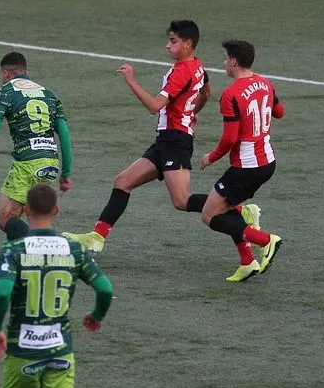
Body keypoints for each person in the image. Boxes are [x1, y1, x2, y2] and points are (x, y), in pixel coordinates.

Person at [63, 20, 209, 253]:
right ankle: (97, 237)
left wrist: (131, 80)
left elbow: (154, 106)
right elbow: (205, 92)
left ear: (188, 44)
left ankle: (241, 212)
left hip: (175, 141)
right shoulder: (198, 66)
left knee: (181, 201)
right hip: (166, 140)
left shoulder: (181, 72)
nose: (167, 46)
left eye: (173, 41)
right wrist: (191, 112)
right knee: (123, 182)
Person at [0, 184, 113, 388]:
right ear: (56, 209)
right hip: (60, 350)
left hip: (23, 349)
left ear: (25, 210)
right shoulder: (74, 250)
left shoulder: (15, 250)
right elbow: (105, 289)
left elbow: (1, 294)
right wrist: (96, 316)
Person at [192, 40, 284, 282]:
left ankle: (266, 240)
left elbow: (230, 138)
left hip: (247, 167)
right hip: (267, 162)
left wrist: (210, 157)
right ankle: (247, 262)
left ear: (234, 61)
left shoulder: (231, 94)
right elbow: (279, 112)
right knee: (226, 208)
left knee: (210, 216)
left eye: (225, 58)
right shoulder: (266, 83)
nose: (224, 62)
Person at [0, 52, 72, 232]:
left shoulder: (6, 92)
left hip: (26, 164)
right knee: (35, 217)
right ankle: (33, 254)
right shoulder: (49, 94)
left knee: (5, 218)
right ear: (26, 71)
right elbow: (65, 135)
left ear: (5, 73)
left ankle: (49, 243)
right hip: (50, 163)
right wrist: (65, 174)